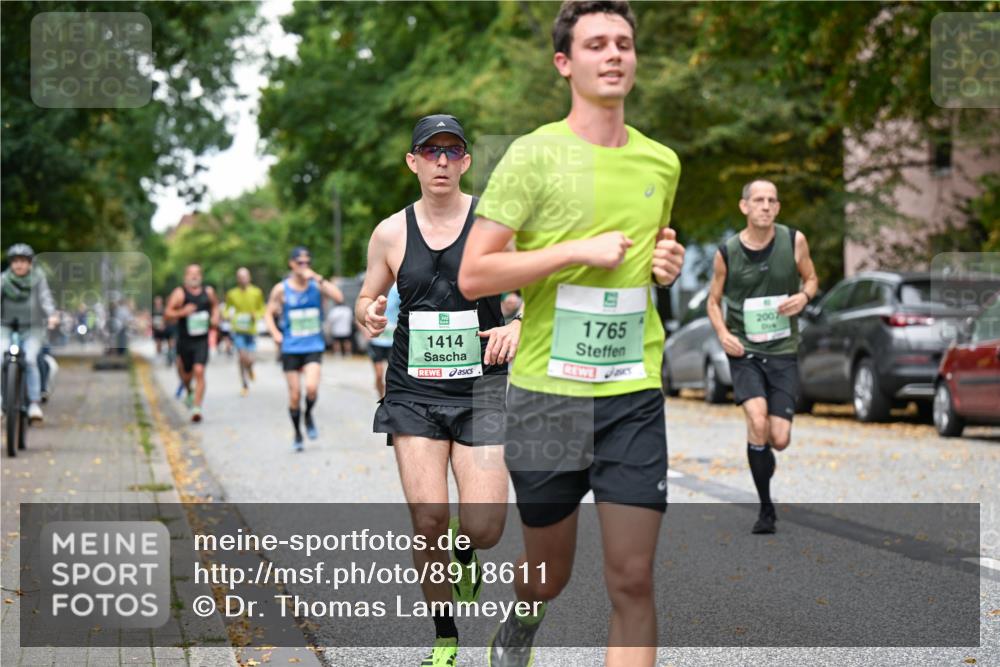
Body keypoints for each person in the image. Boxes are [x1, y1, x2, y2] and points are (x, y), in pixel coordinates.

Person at [458, 2, 685, 664]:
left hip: (631, 392)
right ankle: (524, 618)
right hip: (547, 399)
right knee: (547, 574)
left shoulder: (660, 163)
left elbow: (654, 252)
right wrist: (571, 251)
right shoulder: (533, 156)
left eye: (624, 43)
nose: (613, 54)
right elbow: (475, 272)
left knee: (632, 577)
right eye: (596, 44)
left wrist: (664, 265)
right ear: (566, 63)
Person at [355, 114, 522, 667]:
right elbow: (366, 296)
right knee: (427, 517)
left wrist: (517, 326)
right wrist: (369, 314)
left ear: (467, 161)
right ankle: (446, 636)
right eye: (432, 152)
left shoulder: (495, 225)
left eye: (453, 151)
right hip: (412, 391)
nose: (443, 161)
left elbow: (536, 292)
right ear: (414, 162)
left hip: (482, 390)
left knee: (485, 527)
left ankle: (466, 548)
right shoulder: (390, 232)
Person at [705, 179, 818, 534]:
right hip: (746, 351)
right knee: (757, 421)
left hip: (783, 350)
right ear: (745, 207)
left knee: (779, 438)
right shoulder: (726, 252)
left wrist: (804, 297)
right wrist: (724, 335)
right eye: (758, 200)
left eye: (772, 200)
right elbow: (713, 301)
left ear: (778, 208)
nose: (766, 206)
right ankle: (765, 509)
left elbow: (811, 279)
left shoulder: (794, 240)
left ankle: (761, 450)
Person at [264, 247, 344, 452]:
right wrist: (275, 333)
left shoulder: (316, 286)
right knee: (294, 395)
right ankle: (298, 433)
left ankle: (308, 415)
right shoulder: (281, 289)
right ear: (291, 264)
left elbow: (339, 297)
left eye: (307, 262)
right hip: (291, 348)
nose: (304, 266)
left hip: (313, 346)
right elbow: (268, 313)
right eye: (300, 262)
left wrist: (316, 277)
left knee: (311, 388)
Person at [1, 244, 59, 424]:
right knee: (1, 356)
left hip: (32, 328)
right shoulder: (3, 279)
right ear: (11, 263)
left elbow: (45, 298)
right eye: (16, 261)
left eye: (23, 261)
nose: (19, 265)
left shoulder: (37, 279)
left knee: (31, 359)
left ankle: (34, 403)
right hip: (6, 326)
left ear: (29, 264)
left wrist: (51, 315)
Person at [164, 264, 219, 423]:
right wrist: (182, 312)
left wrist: (215, 317)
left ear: (201, 276)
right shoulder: (180, 293)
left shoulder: (208, 292)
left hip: (202, 340)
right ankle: (189, 390)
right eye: (191, 274)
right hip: (184, 340)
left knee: (199, 370)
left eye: (197, 274)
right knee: (186, 375)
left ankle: (197, 407)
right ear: (185, 276)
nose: (194, 276)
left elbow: (215, 306)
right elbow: (167, 314)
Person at [225, 268, 266, 397]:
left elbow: (262, 309)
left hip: (251, 330)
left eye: (245, 276)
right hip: (238, 329)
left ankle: (250, 368)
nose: (243, 279)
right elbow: (226, 310)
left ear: (249, 277)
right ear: (237, 279)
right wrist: (227, 316)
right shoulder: (232, 293)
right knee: (242, 357)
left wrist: (257, 315)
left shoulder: (256, 292)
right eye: (240, 277)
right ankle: (244, 384)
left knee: (251, 359)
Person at [366, 283, 399, 398]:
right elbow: (361, 311)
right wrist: (365, 330)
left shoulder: (397, 289)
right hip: (376, 341)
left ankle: (390, 398)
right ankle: (381, 397)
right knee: (379, 374)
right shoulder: (375, 287)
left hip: (392, 341)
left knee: (392, 375)